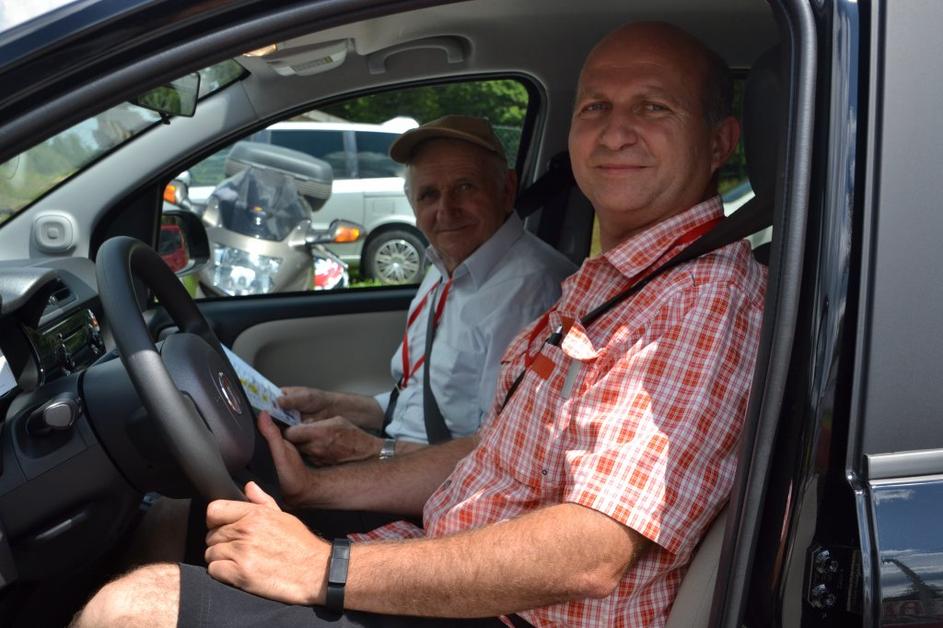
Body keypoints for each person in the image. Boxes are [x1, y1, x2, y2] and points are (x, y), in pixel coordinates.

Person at [76, 21, 767, 627]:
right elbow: (492, 450)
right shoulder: (613, 286)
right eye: (595, 107)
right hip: (452, 551)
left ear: (720, 142)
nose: (615, 132)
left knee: (132, 611)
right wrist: (317, 488)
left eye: (653, 106)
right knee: (184, 517)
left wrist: (323, 567)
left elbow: (590, 551)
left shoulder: (699, 299)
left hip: (515, 613)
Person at [278, 115, 575, 465]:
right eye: (429, 194)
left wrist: (370, 450)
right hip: (405, 458)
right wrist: (331, 405)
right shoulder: (444, 266)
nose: (446, 210)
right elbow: (418, 401)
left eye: (465, 187)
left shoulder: (535, 290)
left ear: (507, 190)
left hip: (450, 484)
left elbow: (501, 453)